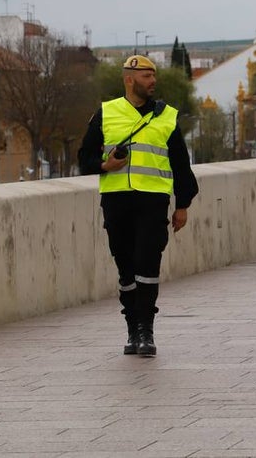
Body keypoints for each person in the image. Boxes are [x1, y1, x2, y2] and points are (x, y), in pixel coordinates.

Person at [77, 55, 198, 357]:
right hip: (117, 201)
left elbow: (181, 165)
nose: (152, 81)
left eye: (153, 75)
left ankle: (146, 330)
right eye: (145, 76)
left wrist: (182, 204)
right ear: (129, 79)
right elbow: (84, 159)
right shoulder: (106, 113)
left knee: (148, 262)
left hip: (153, 201)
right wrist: (106, 164)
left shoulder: (166, 116)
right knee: (126, 268)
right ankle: (132, 327)